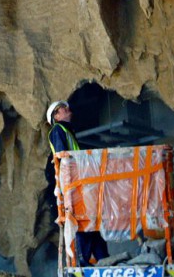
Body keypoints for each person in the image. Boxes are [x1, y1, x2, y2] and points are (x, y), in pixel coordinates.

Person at [46, 100, 109, 267]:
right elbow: (64, 157)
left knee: (91, 220)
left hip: (79, 183)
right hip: (74, 185)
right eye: (63, 109)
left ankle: (102, 257)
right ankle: (84, 261)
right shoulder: (58, 130)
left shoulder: (67, 131)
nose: (68, 109)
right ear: (56, 116)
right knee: (83, 220)